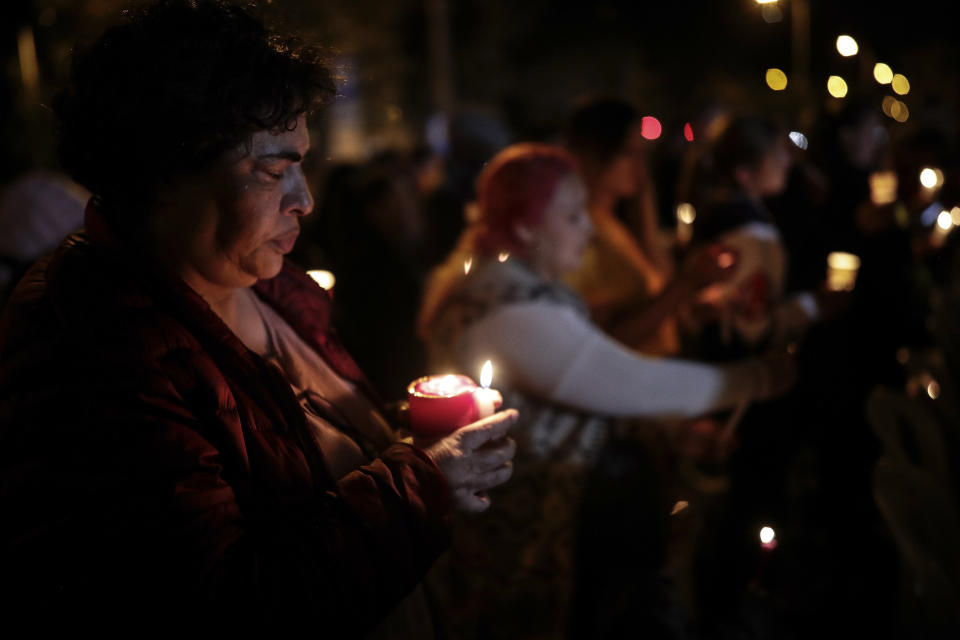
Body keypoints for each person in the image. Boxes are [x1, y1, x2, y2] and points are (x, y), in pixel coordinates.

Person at [0, 1, 516, 634]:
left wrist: (418, 436)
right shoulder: (92, 346)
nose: (305, 201)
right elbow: (228, 602)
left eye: (303, 165)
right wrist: (424, 482)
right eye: (274, 171)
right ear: (163, 175)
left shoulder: (271, 284)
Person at [418, 143, 793, 639]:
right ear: (527, 227)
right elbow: (634, 384)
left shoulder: (513, 286)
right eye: (572, 216)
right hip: (534, 545)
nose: (590, 229)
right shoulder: (506, 308)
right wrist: (758, 377)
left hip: (561, 534)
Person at [564, 98, 729, 357]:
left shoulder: (618, 225)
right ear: (594, 153)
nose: (641, 168)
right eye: (629, 153)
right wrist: (686, 283)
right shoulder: (580, 232)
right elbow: (603, 340)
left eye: (644, 154)